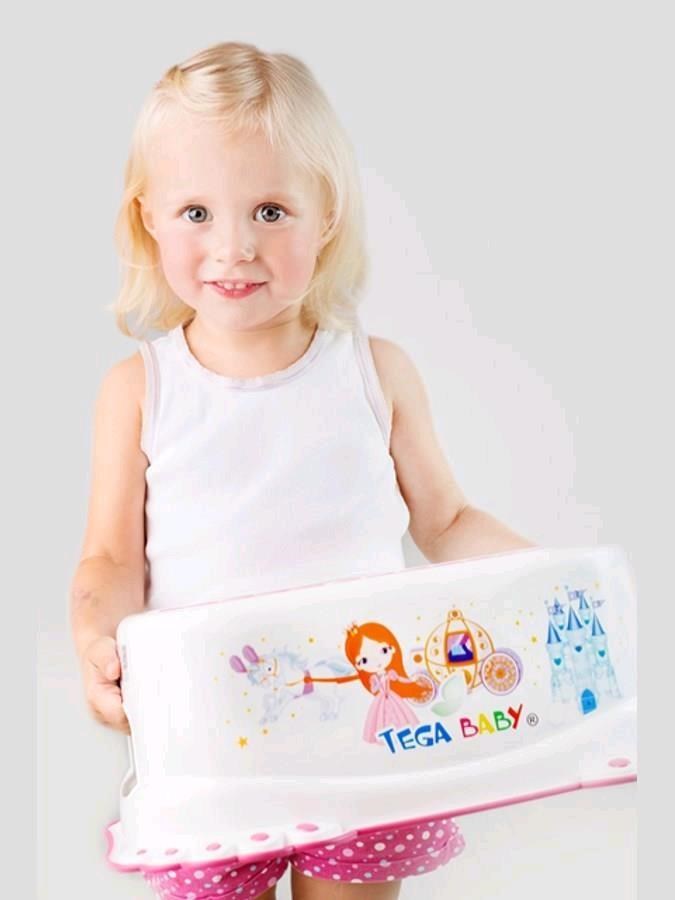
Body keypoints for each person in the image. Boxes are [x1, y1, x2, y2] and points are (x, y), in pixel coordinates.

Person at [70, 40, 535, 900]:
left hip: (361, 742)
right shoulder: (138, 390)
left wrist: (542, 578)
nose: (234, 246)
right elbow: (110, 557)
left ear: (326, 217)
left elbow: (445, 521)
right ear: (148, 218)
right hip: (208, 748)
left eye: (271, 210)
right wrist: (98, 640)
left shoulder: (374, 372)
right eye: (196, 212)